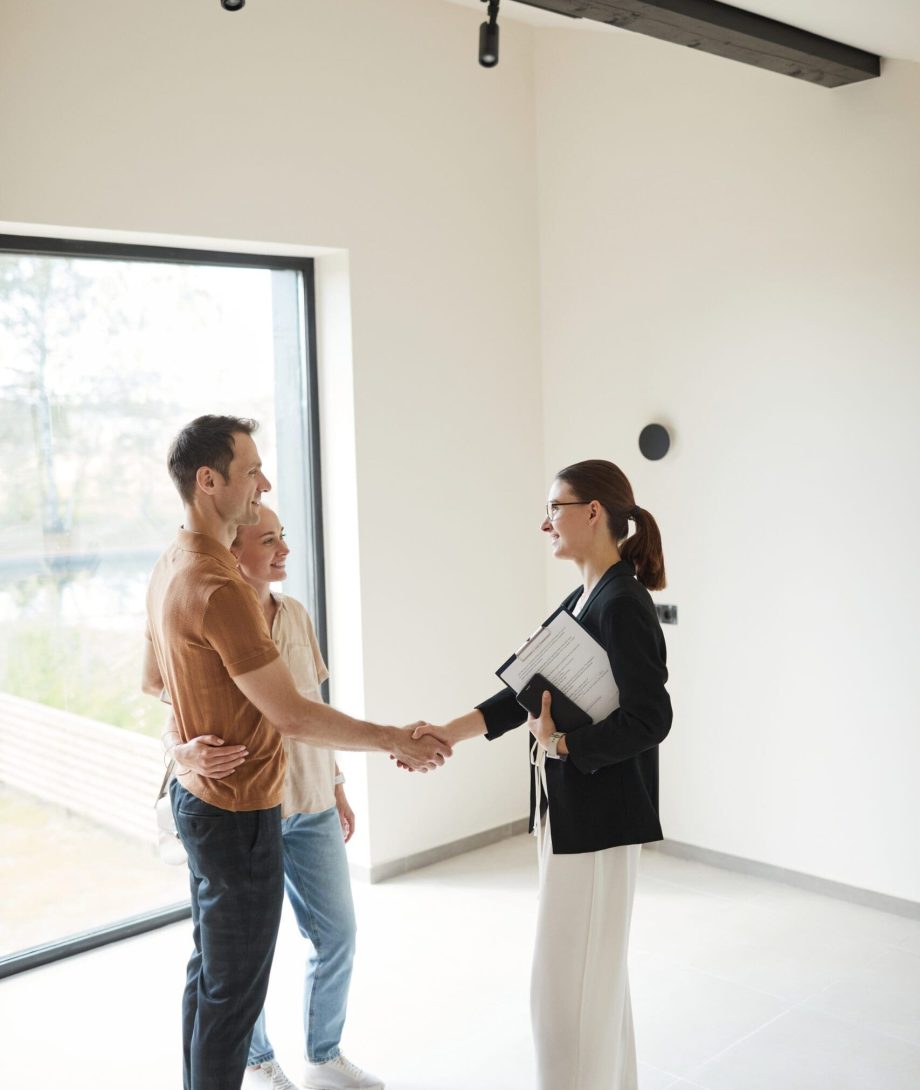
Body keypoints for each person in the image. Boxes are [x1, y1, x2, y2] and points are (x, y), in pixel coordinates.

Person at [143, 415, 450, 1090]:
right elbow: (290, 713)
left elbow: (155, 680)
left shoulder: (173, 563)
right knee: (233, 998)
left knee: (211, 976)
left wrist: (183, 747)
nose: (266, 482)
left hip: (205, 806)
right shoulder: (219, 585)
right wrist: (394, 737)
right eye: (252, 470)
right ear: (208, 480)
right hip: (238, 813)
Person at [412, 459, 672, 1090]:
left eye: (555, 508)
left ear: (593, 513)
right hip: (573, 814)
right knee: (593, 984)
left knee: (566, 997)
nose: (544, 521)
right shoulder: (587, 595)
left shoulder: (622, 604)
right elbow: (523, 691)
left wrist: (562, 745)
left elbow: (651, 716)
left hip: (599, 821)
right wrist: (449, 730)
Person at [166, 504, 382, 1090]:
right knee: (243, 957)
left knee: (337, 933)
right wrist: (180, 751)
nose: (284, 549)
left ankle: (324, 1047)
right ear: (235, 550)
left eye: (284, 537)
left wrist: (336, 786)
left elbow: (310, 707)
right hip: (245, 810)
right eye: (270, 540)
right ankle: (257, 1057)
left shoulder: (295, 615)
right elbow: (170, 703)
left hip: (309, 802)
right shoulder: (211, 608)